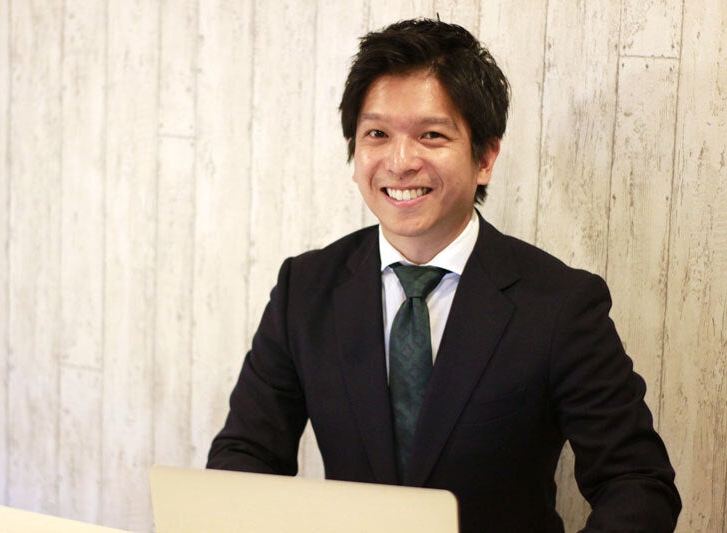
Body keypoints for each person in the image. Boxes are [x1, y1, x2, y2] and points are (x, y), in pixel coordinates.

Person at [207, 18, 681, 532]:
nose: (400, 161)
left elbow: (637, 482)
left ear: (485, 157)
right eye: (377, 134)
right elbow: (245, 455)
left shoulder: (560, 304)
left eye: (431, 135)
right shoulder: (305, 289)